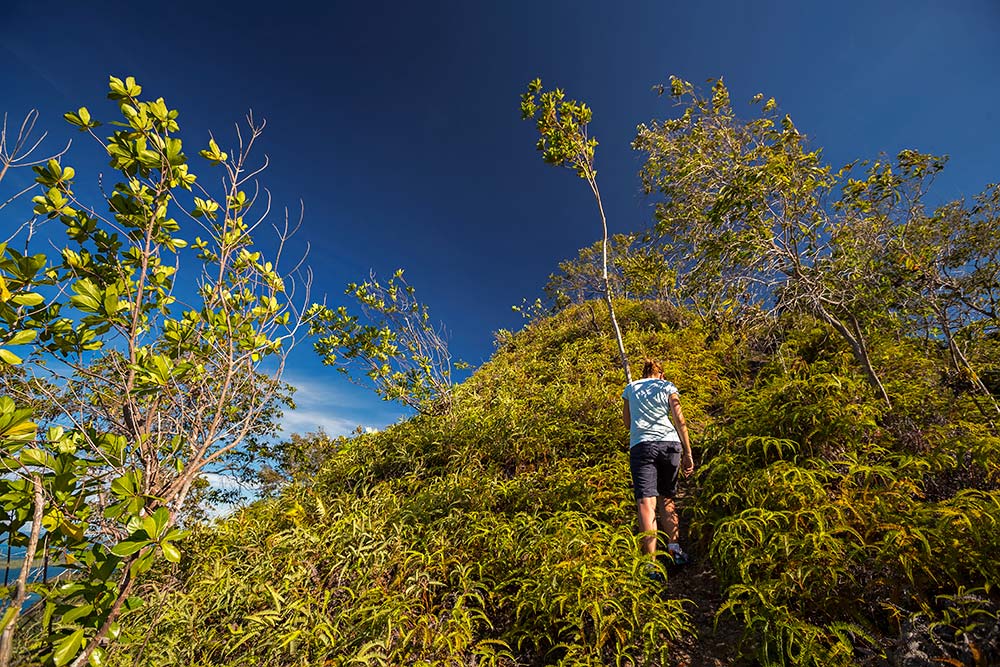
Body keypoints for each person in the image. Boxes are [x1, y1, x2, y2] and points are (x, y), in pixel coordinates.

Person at [622, 359, 694, 567]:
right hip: (670, 443)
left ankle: (650, 562)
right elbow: (680, 420)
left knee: (646, 502)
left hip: (642, 445)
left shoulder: (631, 388)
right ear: (661, 374)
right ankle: (675, 549)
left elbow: (627, 424)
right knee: (667, 498)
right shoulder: (667, 386)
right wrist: (688, 452)